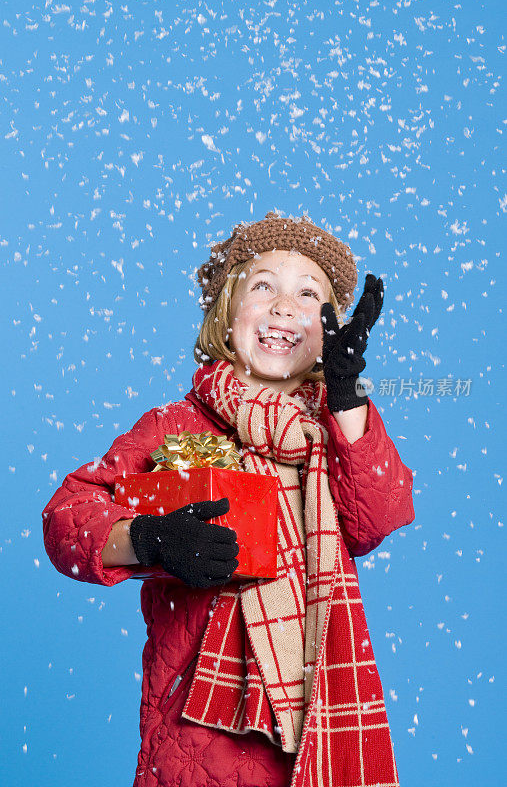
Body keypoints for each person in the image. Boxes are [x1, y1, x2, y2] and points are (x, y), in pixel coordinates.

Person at [42, 211, 415, 787]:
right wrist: (151, 539)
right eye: (263, 285)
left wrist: (347, 397)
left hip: (317, 716)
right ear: (226, 312)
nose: (285, 306)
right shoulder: (175, 425)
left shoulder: (336, 429)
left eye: (308, 294)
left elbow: (379, 514)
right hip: (197, 724)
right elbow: (68, 516)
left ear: (330, 330)